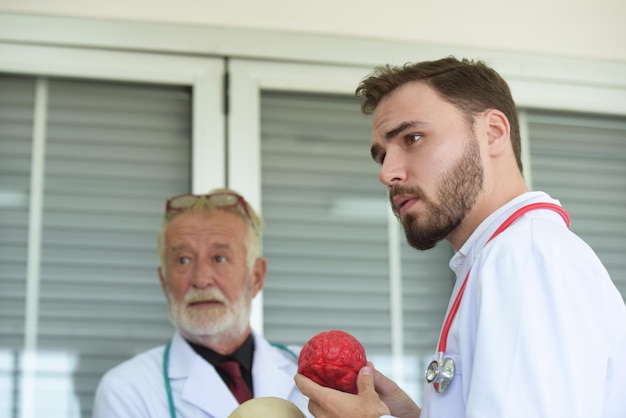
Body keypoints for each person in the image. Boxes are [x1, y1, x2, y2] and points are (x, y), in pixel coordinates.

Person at [295, 57, 626, 418]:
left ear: (493, 133)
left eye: (413, 138)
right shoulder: (502, 257)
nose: (388, 173)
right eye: (382, 156)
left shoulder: (522, 258)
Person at [93, 188, 312, 418]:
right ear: (164, 281)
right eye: (183, 260)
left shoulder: (314, 376)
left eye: (219, 258)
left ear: (256, 277)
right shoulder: (126, 390)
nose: (200, 280)